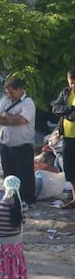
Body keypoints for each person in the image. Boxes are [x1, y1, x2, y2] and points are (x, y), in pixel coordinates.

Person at [0, 76, 36, 209]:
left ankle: (26, 200)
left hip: (23, 146)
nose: (9, 95)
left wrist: (7, 117)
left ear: (20, 89)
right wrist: (10, 120)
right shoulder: (5, 101)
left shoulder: (28, 103)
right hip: (7, 145)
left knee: (24, 175)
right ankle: (11, 198)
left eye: (12, 92)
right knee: (9, 173)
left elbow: (22, 120)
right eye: (8, 92)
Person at [51, 70, 75, 209]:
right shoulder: (66, 93)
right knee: (70, 169)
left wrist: (68, 113)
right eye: (71, 82)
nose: (73, 85)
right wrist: (70, 109)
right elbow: (55, 108)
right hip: (68, 138)